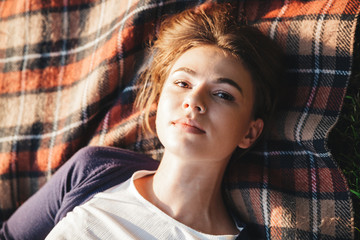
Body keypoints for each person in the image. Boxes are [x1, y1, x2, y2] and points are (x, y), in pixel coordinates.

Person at [0, 3, 283, 239]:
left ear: (250, 131)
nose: (194, 101)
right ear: (159, 103)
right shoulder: (96, 170)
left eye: (222, 94)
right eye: (183, 83)